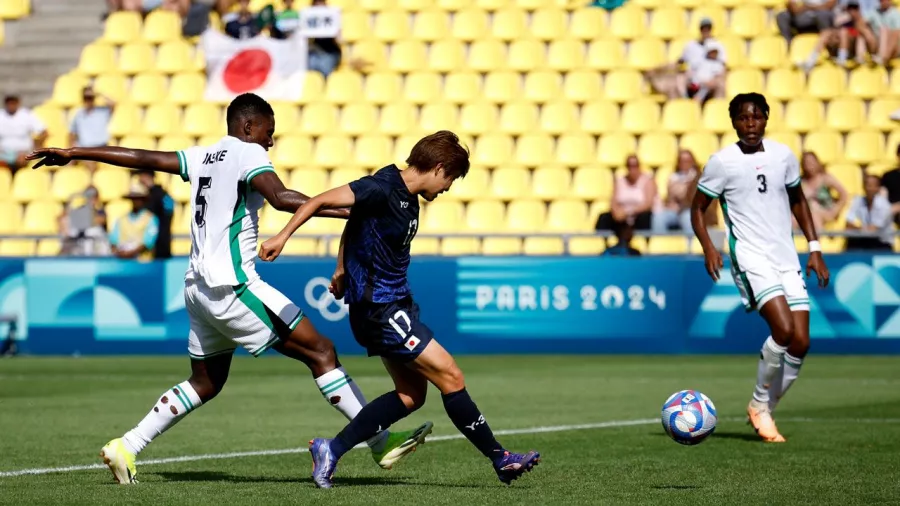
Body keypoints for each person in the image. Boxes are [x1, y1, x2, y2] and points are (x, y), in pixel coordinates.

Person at [26, 92, 431, 485]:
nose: (271, 141)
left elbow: (142, 157)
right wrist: (349, 208)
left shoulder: (203, 155)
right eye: (268, 131)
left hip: (197, 289)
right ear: (248, 125)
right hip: (233, 285)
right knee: (321, 351)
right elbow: (281, 197)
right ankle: (378, 441)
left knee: (206, 382)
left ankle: (126, 446)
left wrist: (76, 153)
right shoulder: (247, 151)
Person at [258, 131, 541, 489]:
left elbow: (355, 220)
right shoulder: (381, 186)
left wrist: (341, 268)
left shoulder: (407, 198)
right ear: (438, 168)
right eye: (451, 178)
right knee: (451, 376)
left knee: (412, 395)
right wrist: (282, 236)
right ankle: (500, 459)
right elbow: (316, 202)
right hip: (380, 309)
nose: (449, 187)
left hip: (394, 305)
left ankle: (332, 449)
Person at [690, 93, 830, 443]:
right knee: (782, 331)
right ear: (734, 122)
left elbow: (798, 200)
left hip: (786, 256)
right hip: (751, 257)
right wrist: (709, 246)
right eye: (742, 118)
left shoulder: (783, 155)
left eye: (756, 117)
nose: (750, 124)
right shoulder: (722, 162)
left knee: (801, 342)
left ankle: (763, 406)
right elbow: (697, 208)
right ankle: (759, 404)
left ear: (766, 118)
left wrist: (814, 248)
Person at [595, 155, 656, 235]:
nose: (632, 169)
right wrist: (617, 213)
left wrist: (629, 212)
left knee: (645, 218)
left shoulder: (647, 180)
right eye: (629, 165)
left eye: (635, 165)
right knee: (604, 218)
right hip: (621, 215)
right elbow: (613, 201)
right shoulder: (620, 181)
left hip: (638, 214)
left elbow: (648, 204)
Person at [653, 149, 700, 234]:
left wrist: (681, 188)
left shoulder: (697, 176)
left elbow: (685, 195)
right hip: (673, 210)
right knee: (659, 217)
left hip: (689, 209)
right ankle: (660, 244)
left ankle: (690, 245)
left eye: (687, 161)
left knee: (687, 218)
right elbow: (674, 193)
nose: (684, 163)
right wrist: (686, 186)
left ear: (692, 162)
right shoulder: (673, 176)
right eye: (682, 161)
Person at [69, 86, 115, 174]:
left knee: (89, 161)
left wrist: (100, 94)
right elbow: (72, 133)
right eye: (86, 98)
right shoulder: (78, 114)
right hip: (85, 148)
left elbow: (113, 103)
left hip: (101, 146)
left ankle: (92, 182)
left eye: (90, 98)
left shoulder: (102, 111)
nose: (88, 101)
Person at [798, 151, 847, 232]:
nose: (809, 165)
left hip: (825, 211)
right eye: (807, 163)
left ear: (817, 163)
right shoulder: (801, 181)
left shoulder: (825, 178)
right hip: (805, 213)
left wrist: (835, 210)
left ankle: (817, 242)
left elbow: (844, 195)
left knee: (814, 217)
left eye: (812, 162)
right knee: (792, 219)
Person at [109, 182, 160, 261]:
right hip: (122, 264)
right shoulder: (121, 219)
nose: (136, 201)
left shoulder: (151, 219)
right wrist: (120, 252)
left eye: (139, 198)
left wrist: (130, 253)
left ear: (144, 200)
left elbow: (148, 243)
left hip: (144, 264)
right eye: (134, 198)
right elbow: (113, 240)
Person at [845, 174, 894, 251]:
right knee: (850, 243)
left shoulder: (884, 206)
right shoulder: (857, 200)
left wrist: (857, 228)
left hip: (882, 241)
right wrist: (862, 229)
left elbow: (873, 230)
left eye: (874, 186)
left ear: (878, 188)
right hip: (865, 238)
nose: (870, 189)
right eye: (868, 185)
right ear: (863, 187)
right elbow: (848, 225)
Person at [0, 95, 47, 174]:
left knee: (21, 160)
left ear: (18, 104)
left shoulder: (26, 115)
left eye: (13, 103)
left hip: (23, 152)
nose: (11, 106)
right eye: (9, 103)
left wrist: (37, 146)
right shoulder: (1, 115)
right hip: (3, 153)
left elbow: (44, 132)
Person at [135, 169, 174, 259]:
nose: (139, 180)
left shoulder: (153, 196)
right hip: (163, 243)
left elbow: (149, 219)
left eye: (140, 176)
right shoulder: (163, 194)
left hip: (155, 247)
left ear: (146, 176)